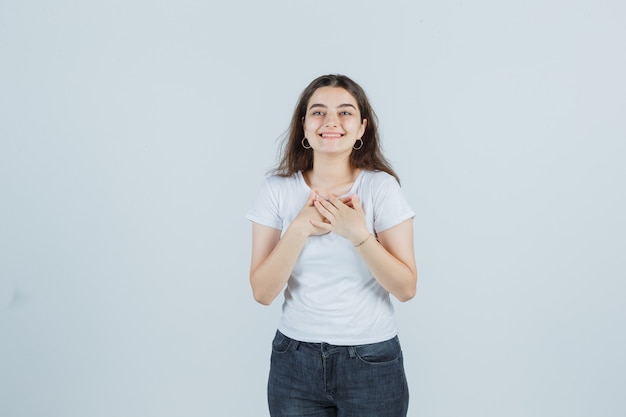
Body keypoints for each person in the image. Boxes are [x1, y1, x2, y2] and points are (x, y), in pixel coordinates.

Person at [246, 74, 417, 417]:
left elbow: (406, 287)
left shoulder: (381, 189)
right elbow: (263, 293)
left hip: (370, 360)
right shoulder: (276, 190)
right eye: (318, 112)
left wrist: (357, 233)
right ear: (304, 126)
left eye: (345, 112)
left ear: (362, 128)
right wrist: (298, 228)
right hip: (294, 360)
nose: (331, 122)